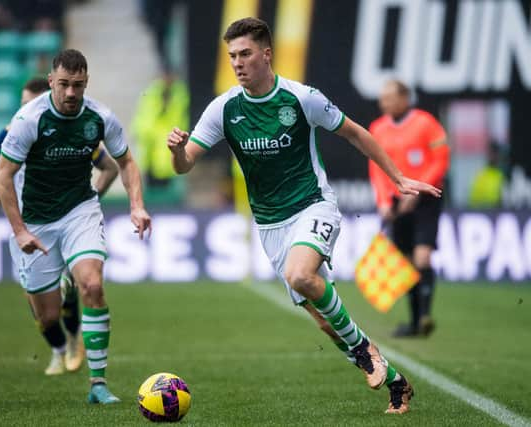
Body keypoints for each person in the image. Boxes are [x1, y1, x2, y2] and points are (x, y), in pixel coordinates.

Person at [167, 18, 442, 414]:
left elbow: (357, 133)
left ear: (266, 54)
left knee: (301, 275)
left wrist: (398, 178)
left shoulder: (301, 98)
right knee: (327, 324)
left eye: (245, 54)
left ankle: (366, 350)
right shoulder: (224, 108)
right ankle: (396, 381)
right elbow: (185, 165)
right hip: (270, 225)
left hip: (313, 204)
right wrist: (177, 151)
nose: (238, 63)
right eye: (232, 56)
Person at [0, 49, 151, 404]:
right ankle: (59, 283)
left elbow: (125, 162)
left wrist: (137, 206)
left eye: (77, 85)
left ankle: (98, 384)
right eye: (63, 84)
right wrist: (20, 231)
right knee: (47, 316)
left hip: (80, 210)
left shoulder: (99, 117)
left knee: (92, 284)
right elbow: (4, 176)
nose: (70, 93)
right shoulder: (29, 120)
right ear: (51, 81)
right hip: (36, 221)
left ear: (86, 83)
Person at [0, 77, 120, 376]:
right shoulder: (11, 133)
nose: (26, 109)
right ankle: (58, 349)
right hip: (26, 223)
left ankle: (73, 340)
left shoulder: (66, 132)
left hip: (64, 220)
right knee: (43, 315)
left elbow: (109, 165)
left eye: (31, 103)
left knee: (80, 283)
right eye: (23, 103)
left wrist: (87, 199)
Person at [369, 80, 450, 338]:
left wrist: (420, 188)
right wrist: (382, 201)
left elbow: (441, 160)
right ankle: (415, 322)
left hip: (426, 199)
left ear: (405, 98)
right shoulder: (378, 129)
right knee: (405, 262)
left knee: (422, 257)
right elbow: (377, 169)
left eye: (390, 97)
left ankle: (425, 315)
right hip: (396, 202)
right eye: (382, 98)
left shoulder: (426, 123)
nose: (384, 103)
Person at [131, 67, 189, 188]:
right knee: (151, 189)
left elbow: (179, 120)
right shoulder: (153, 93)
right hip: (151, 150)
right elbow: (144, 118)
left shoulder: (179, 94)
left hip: (167, 152)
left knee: (166, 189)